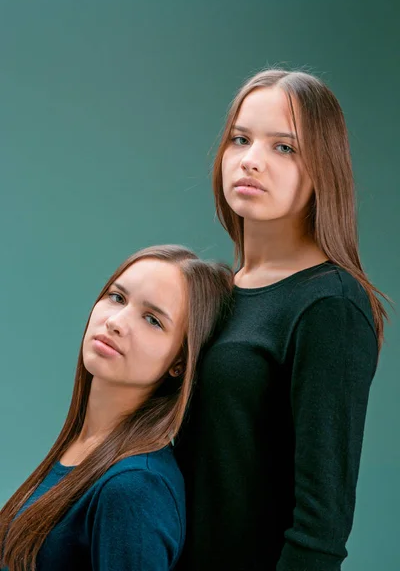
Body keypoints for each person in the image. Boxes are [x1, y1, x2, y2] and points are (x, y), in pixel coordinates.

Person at [175, 69, 389, 571]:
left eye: (284, 148)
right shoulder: (218, 291)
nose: (251, 160)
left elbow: (320, 529)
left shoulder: (330, 305)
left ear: (323, 169)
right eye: (241, 139)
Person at [0, 244, 233, 571]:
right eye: (117, 297)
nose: (117, 322)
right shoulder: (83, 448)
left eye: (152, 320)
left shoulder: (135, 489)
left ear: (179, 362)